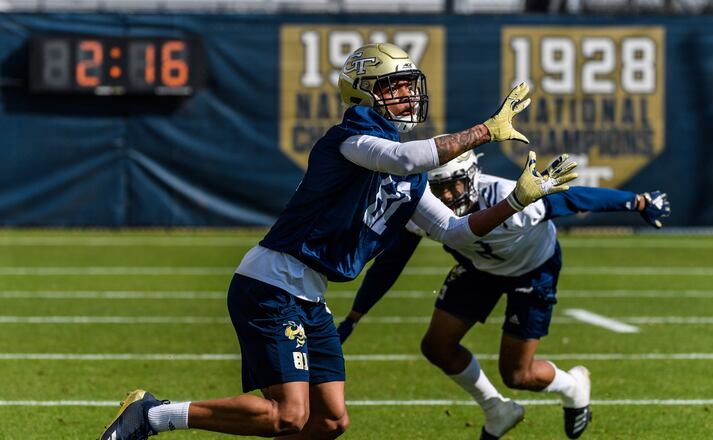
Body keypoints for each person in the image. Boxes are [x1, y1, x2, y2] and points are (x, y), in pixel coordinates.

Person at [98, 42, 578, 440]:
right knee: (286, 414)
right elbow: (406, 159)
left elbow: (454, 231)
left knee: (330, 420)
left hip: (310, 294)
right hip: (273, 283)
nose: (407, 96)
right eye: (395, 86)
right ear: (364, 93)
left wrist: (514, 200)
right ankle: (153, 415)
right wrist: (485, 132)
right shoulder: (351, 139)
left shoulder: (406, 177)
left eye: (410, 85)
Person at [337, 152, 671, 439]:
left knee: (518, 375)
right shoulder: (423, 210)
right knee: (437, 346)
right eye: (439, 188)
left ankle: (573, 387)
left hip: (533, 268)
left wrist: (637, 202)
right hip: (478, 267)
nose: (449, 196)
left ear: (472, 176)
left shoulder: (510, 197)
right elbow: (393, 260)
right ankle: (496, 409)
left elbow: (572, 198)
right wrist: (356, 312)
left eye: (455, 184)